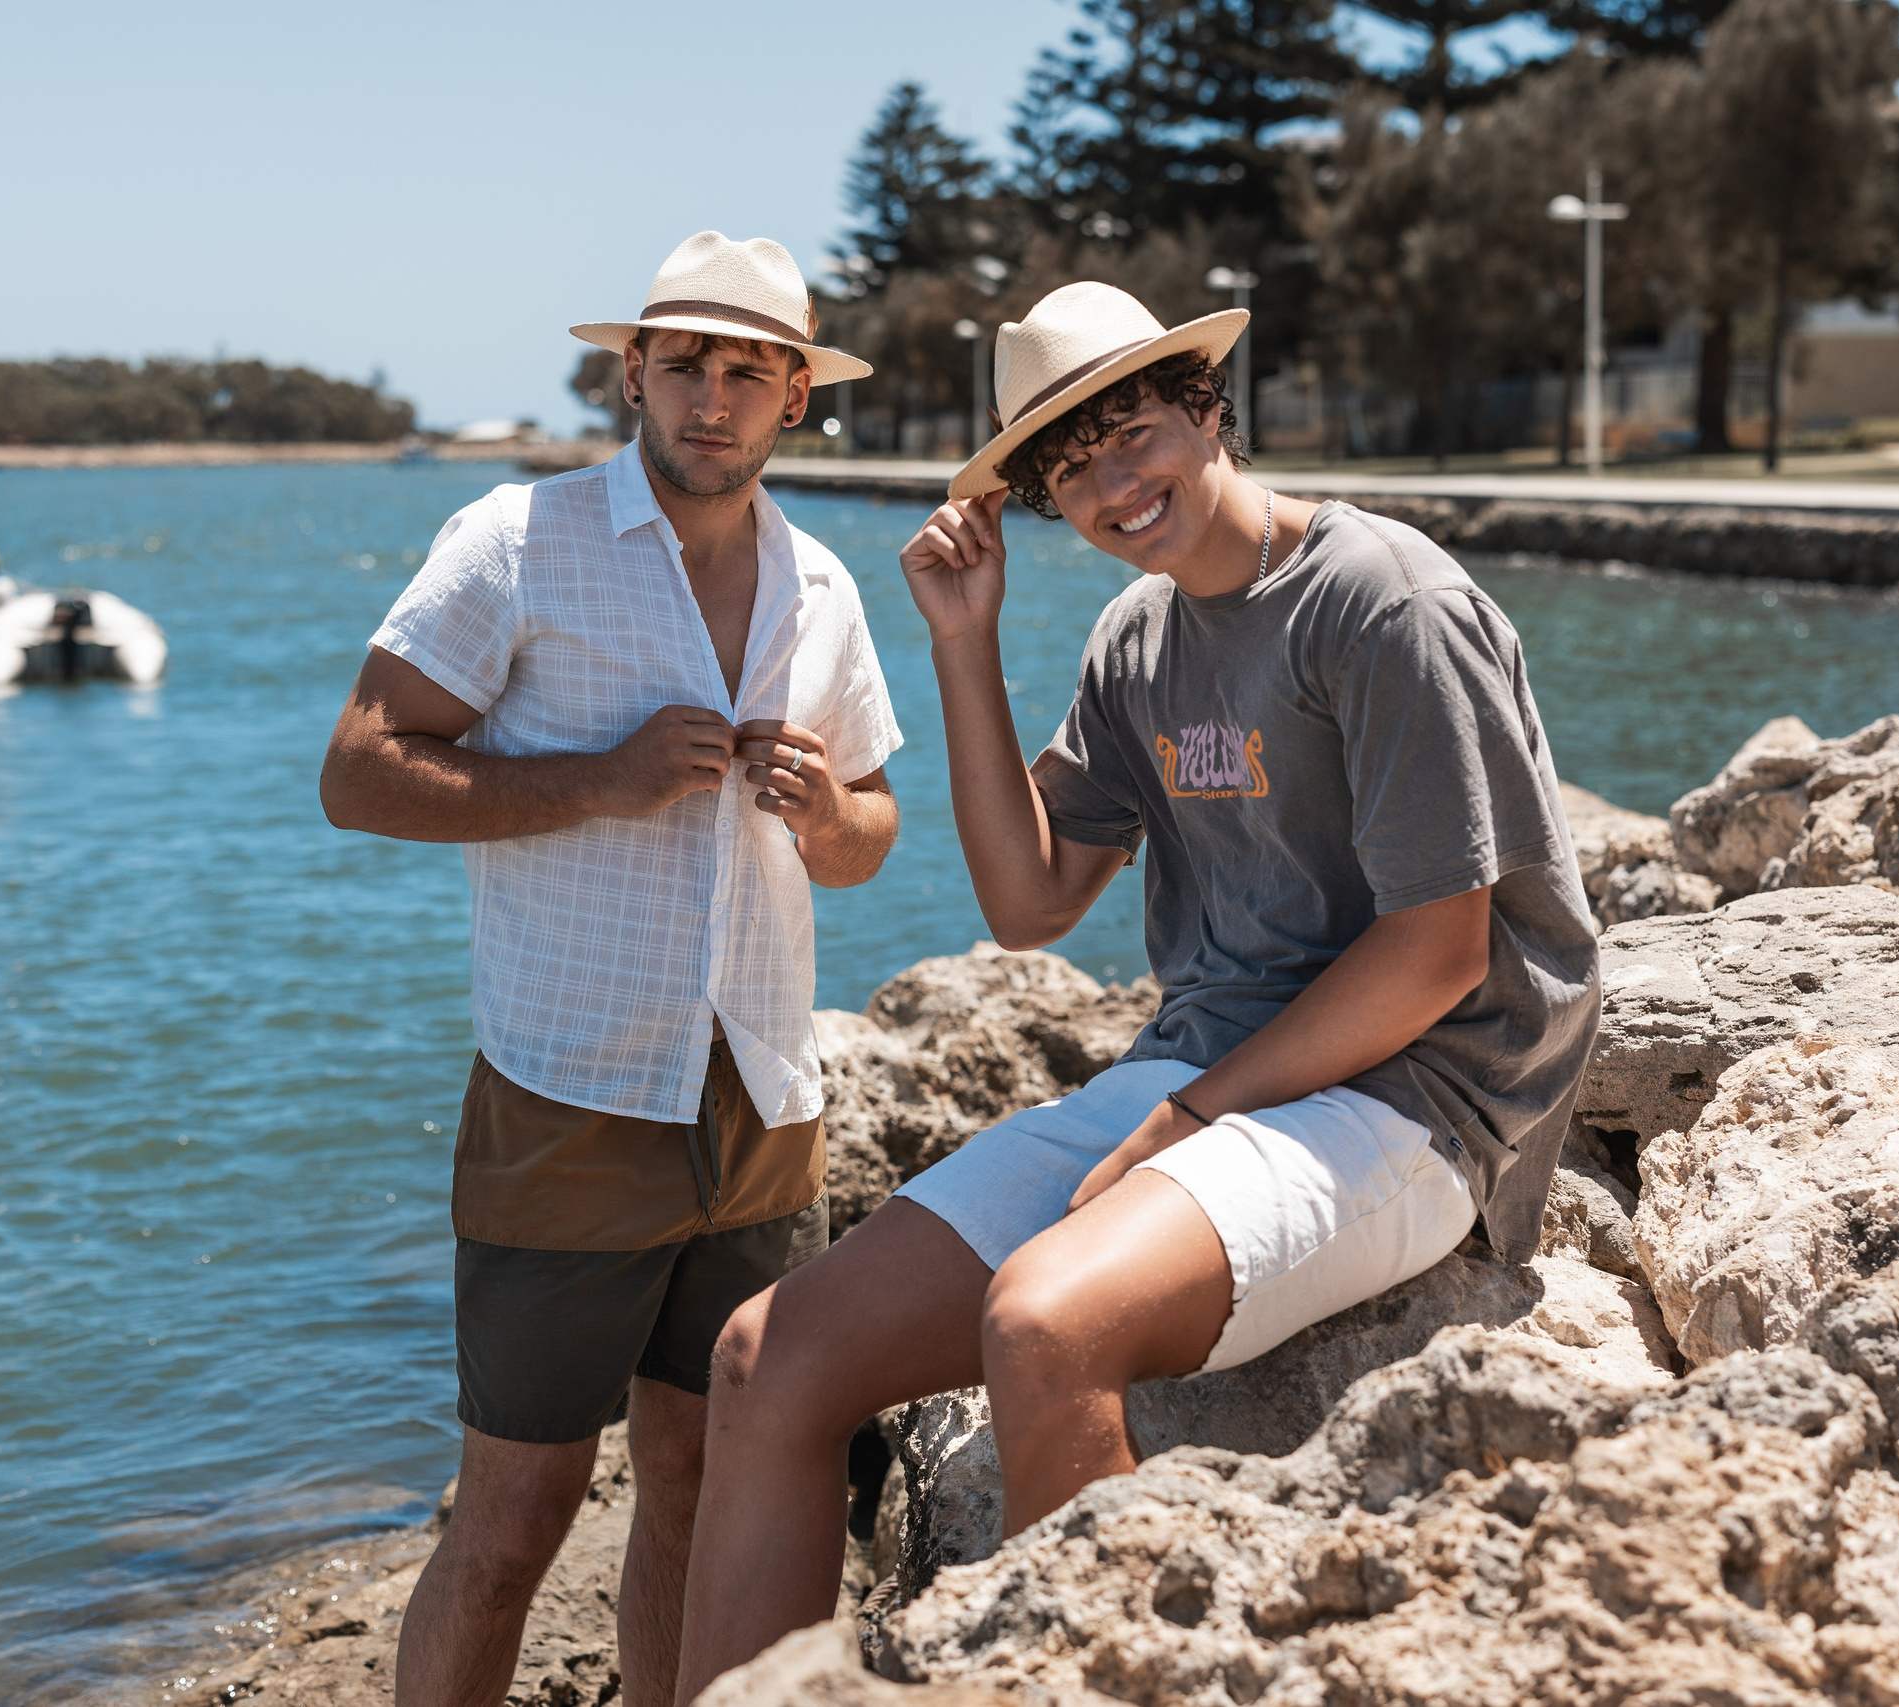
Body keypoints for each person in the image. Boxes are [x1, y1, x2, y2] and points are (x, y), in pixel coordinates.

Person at [674, 282, 1600, 1696]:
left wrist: (1188, 1120)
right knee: (762, 1358)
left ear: (1207, 411)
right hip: (1206, 1070)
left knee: (1051, 1325)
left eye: (1132, 432)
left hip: (1424, 1093)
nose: (1114, 483)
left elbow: (1441, 954)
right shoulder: (1139, 645)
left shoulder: (1379, 599)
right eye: (1068, 466)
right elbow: (1031, 901)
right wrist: (962, 641)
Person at [318, 231, 903, 1707]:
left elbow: (874, 833)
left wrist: (829, 813)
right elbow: (359, 772)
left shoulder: (823, 585)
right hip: (568, 1097)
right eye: (689, 364)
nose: (715, 399)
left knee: (702, 1487)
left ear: (794, 400)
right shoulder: (517, 542)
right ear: (631, 371)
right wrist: (601, 776)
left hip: (764, 1099)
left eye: (750, 372)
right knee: (514, 1520)